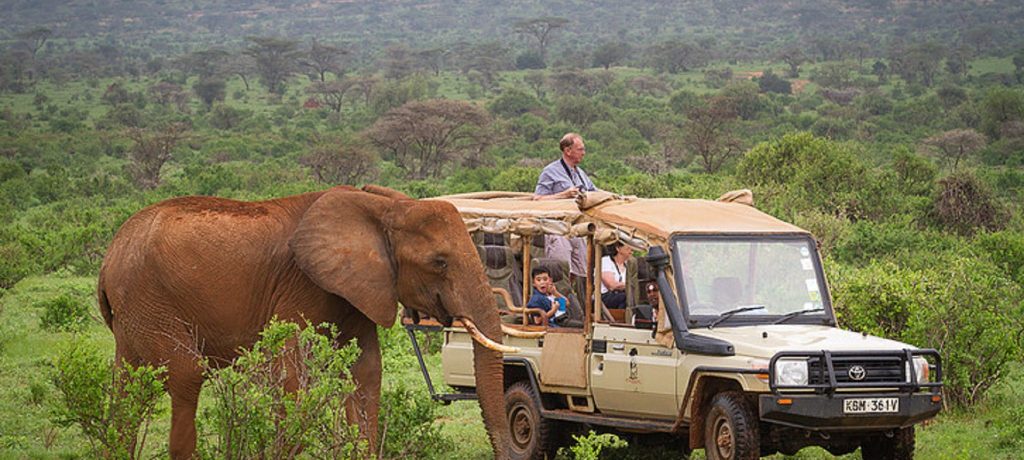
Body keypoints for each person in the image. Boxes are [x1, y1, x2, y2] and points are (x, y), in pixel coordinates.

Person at [533, 133, 599, 282]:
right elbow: (537, 199)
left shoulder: (580, 173)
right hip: (557, 228)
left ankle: (576, 301)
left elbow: (595, 193)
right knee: (560, 273)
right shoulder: (550, 171)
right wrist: (563, 195)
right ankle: (560, 303)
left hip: (576, 228)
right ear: (567, 151)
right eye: (580, 149)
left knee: (582, 272)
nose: (583, 153)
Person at [601, 242, 630, 309]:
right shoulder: (606, 261)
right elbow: (612, 285)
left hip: (623, 295)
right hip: (605, 297)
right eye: (628, 247)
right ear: (618, 248)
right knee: (626, 297)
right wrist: (630, 285)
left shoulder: (628, 265)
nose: (631, 250)